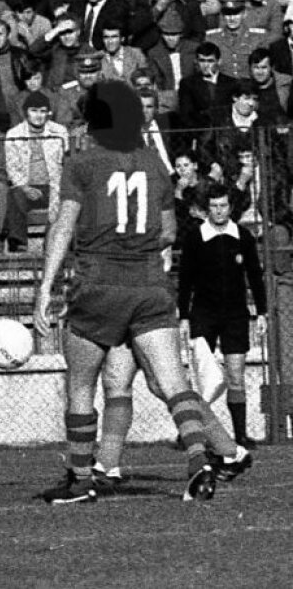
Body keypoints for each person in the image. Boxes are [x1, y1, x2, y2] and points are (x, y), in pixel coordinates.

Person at [33, 80, 218, 504]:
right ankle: (199, 461)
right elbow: (168, 230)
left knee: (81, 384)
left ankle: (81, 479)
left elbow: (63, 225)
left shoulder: (81, 162)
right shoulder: (154, 164)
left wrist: (45, 287)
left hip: (98, 283)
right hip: (150, 284)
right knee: (174, 382)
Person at [177, 183, 267, 449]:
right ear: (207, 209)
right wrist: (184, 316)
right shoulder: (195, 237)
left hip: (235, 315)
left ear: (231, 207)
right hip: (203, 314)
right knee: (204, 380)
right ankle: (191, 433)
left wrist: (262, 312)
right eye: (214, 206)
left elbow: (255, 276)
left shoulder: (243, 236)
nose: (219, 211)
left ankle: (240, 435)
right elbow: (185, 280)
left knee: (236, 375)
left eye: (223, 206)